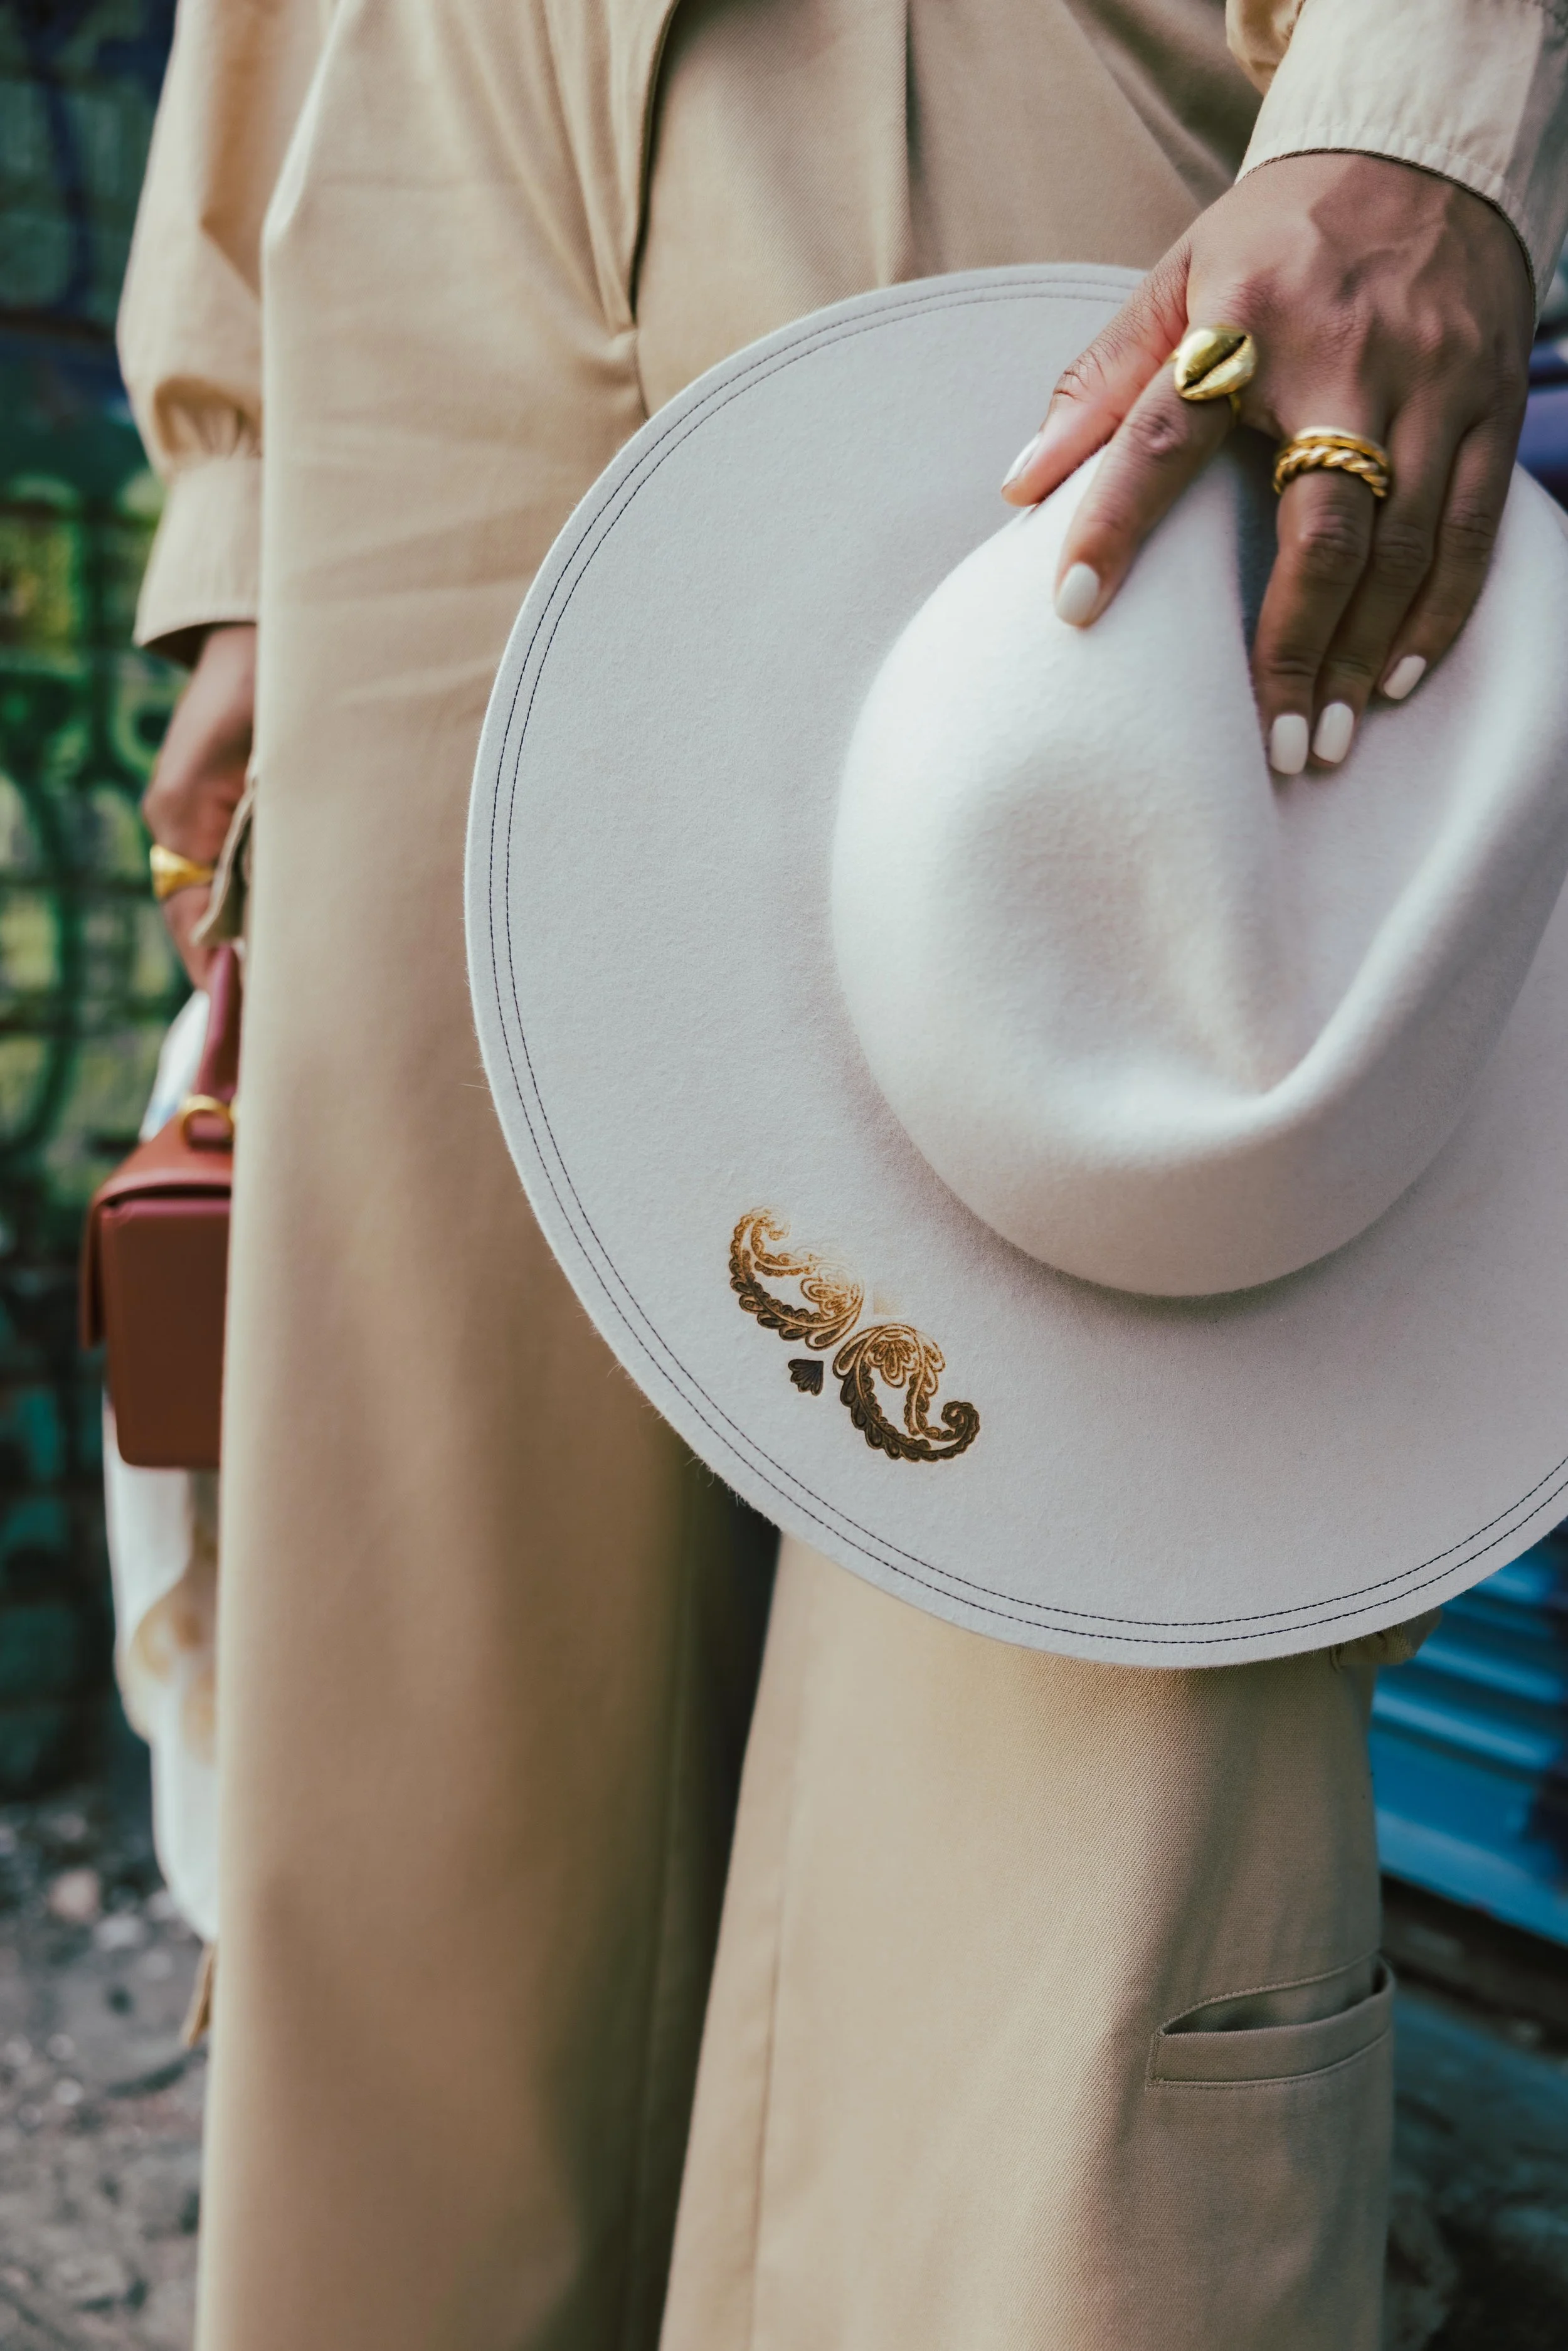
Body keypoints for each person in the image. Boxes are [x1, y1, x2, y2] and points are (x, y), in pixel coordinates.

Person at [118, 1, 1567, 2346]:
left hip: (1051, 119)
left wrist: (1420, 122)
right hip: (423, 169)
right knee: (426, 1726)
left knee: (1061, 1793)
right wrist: (249, 477)